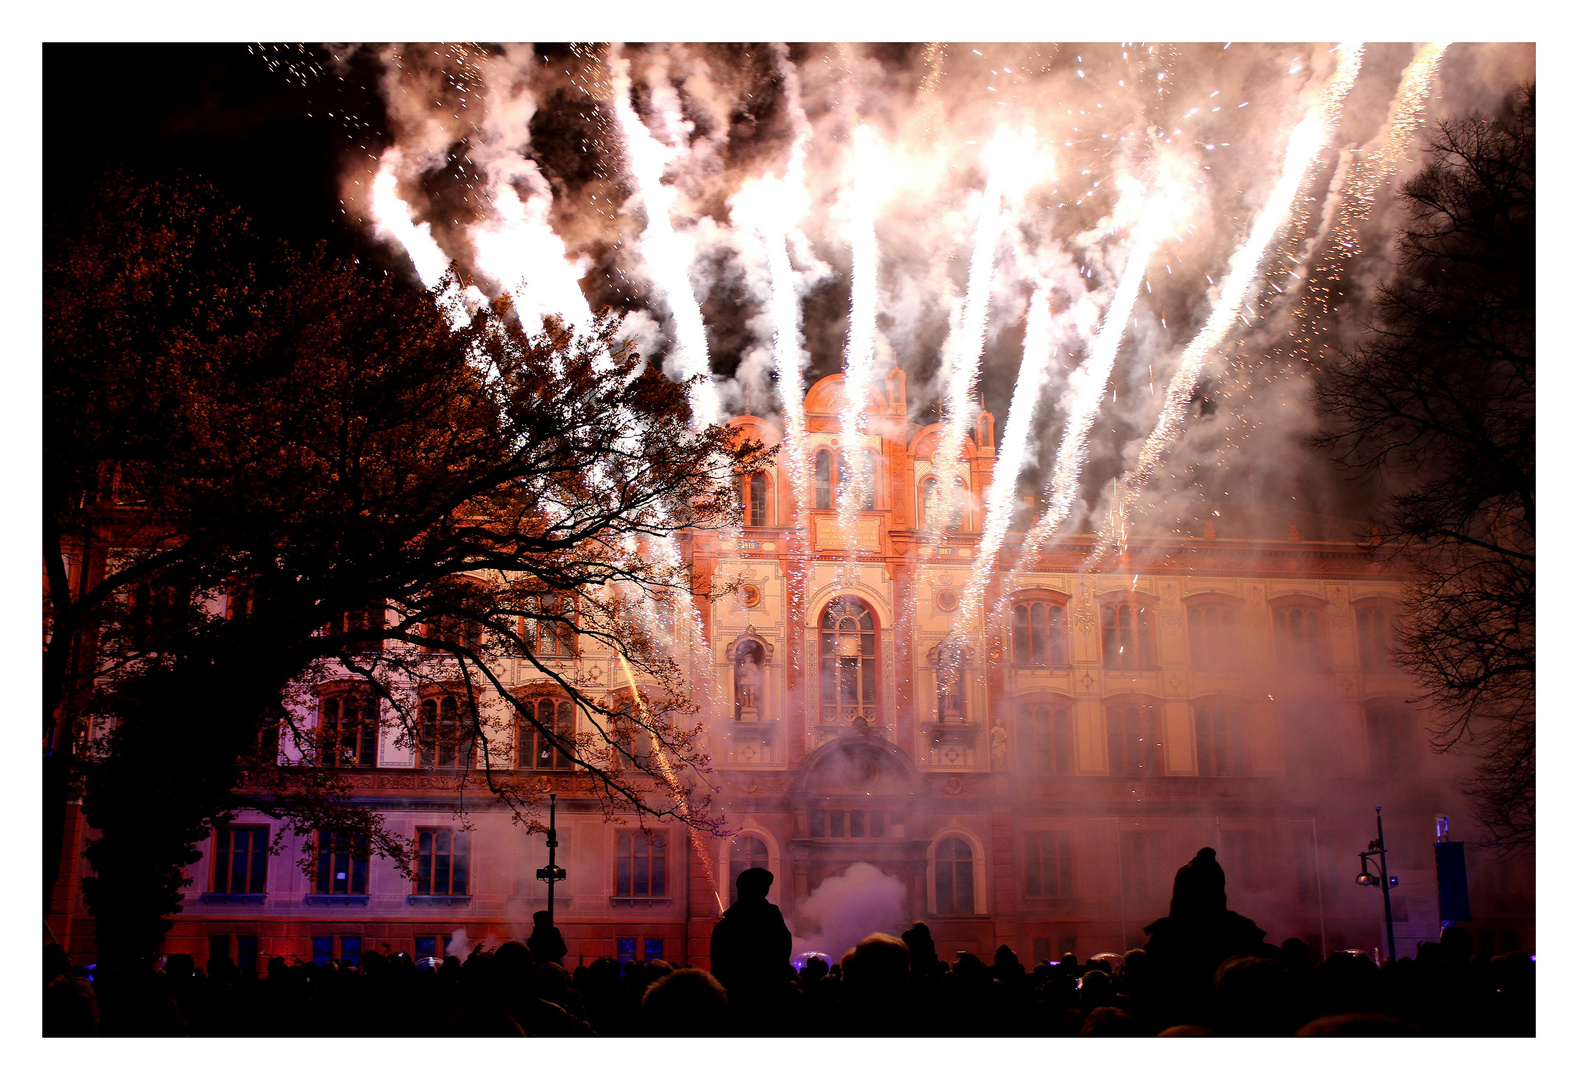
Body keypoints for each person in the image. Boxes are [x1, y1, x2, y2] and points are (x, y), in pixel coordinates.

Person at [709, 866, 793, 1034]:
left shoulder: (726, 925)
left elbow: (718, 967)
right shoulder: (771, 919)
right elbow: (782, 952)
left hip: (735, 1003)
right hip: (770, 1002)